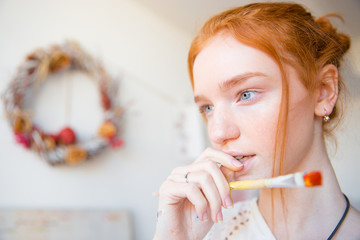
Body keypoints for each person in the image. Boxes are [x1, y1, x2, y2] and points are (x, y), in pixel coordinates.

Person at [154, 2, 360, 239]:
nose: (218, 133)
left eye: (246, 94)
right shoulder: (204, 234)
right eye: (207, 108)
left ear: (323, 91)